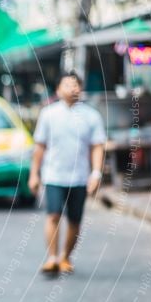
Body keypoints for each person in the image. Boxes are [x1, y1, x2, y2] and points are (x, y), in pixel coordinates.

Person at [28, 72, 106, 274]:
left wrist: (96, 173)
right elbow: (39, 147)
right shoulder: (48, 114)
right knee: (53, 215)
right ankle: (52, 257)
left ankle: (65, 257)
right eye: (68, 84)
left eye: (76, 85)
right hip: (53, 175)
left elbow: (97, 146)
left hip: (79, 177)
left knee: (74, 219)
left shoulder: (91, 116)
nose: (73, 89)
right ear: (58, 90)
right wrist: (34, 174)